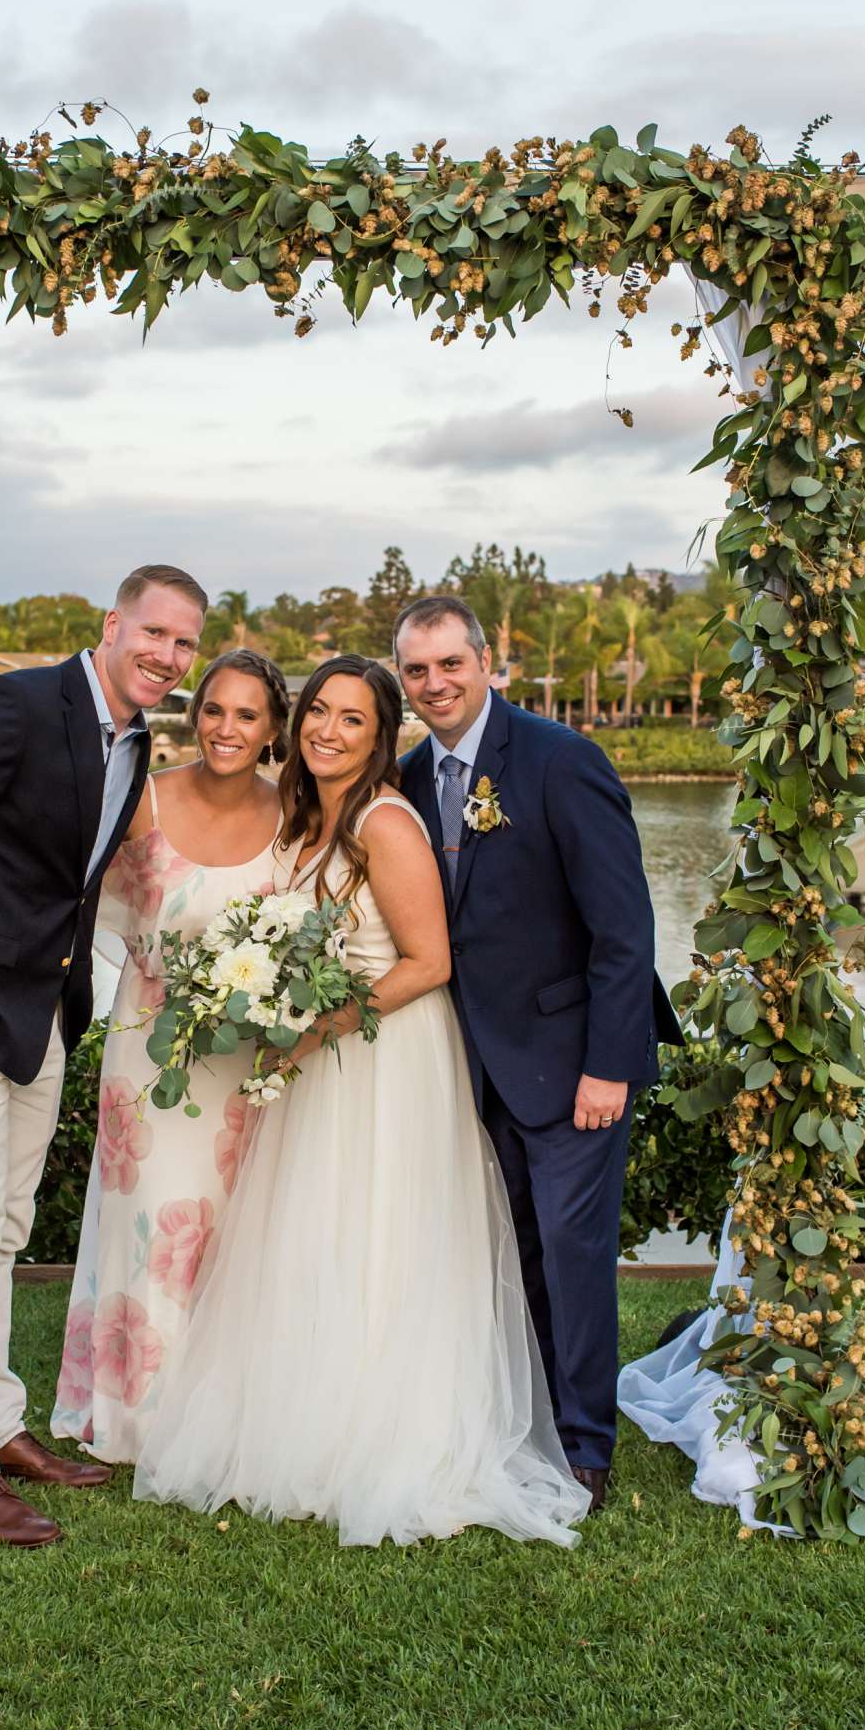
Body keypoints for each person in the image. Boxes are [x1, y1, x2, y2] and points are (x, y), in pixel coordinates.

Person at [134, 656, 589, 1549]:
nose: (327, 731)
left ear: (382, 738)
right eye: (317, 714)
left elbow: (428, 962)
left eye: (352, 720)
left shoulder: (385, 821)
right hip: (322, 1055)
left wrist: (317, 1027)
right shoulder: (304, 816)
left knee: (385, 1233)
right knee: (317, 1233)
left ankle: (392, 1432)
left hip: (387, 1056)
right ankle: (311, 1419)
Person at [0, 565, 208, 1546]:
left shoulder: (135, 742)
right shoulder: (10, 705)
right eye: (154, 633)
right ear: (112, 625)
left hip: (44, 1017)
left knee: (5, 1229)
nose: (167, 656)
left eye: (185, 643)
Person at [393, 595, 682, 1507]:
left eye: (450, 663)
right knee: (512, 1249)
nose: (435, 683)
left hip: (569, 1067)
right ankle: (533, 1414)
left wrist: (609, 1064)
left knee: (571, 1251)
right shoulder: (403, 780)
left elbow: (624, 933)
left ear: (487, 662)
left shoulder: (562, 762)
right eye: (416, 670)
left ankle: (585, 1447)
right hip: (467, 1067)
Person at [53, 649, 289, 1462]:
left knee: (233, 1231)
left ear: (271, 729)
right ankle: (137, 1414)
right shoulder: (143, 798)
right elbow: (94, 904)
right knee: (152, 1222)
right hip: (149, 1055)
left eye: (247, 715)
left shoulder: (294, 812)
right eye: (214, 709)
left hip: (248, 1067)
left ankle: (225, 1409)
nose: (226, 728)